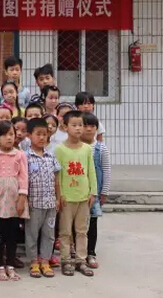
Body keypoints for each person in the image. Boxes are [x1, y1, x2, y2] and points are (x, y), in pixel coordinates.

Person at [0, 121, 29, 281]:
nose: (9, 138)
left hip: (14, 198)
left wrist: (22, 198)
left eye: (11, 134)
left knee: (12, 234)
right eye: (4, 135)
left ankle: (10, 264)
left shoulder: (20, 155)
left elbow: (24, 177)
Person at [54, 110, 97, 277]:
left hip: (84, 197)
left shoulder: (87, 149)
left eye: (81, 125)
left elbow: (91, 171)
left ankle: (81, 260)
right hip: (67, 198)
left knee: (81, 230)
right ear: (65, 127)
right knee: (65, 232)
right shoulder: (60, 150)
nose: (78, 128)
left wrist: (93, 192)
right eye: (74, 125)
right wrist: (59, 195)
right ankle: (66, 260)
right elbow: (58, 175)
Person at [25, 118, 61, 279]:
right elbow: (23, 181)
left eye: (44, 134)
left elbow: (56, 180)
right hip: (33, 204)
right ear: (29, 135)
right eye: (38, 134)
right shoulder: (25, 157)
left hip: (50, 203)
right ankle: (34, 261)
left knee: (49, 233)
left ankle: (45, 261)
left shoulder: (51, 156)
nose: (41, 138)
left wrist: (58, 199)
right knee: (32, 234)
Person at [81, 112, 111, 269]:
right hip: (77, 193)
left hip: (94, 194)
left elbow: (106, 170)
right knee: (77, 225)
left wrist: (104, 192)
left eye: (92, 126)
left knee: (92, 223)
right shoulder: (75, 147)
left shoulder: (101, 148)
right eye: (85, 126)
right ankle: (77, 253)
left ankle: (90, 253)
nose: (88, 129)